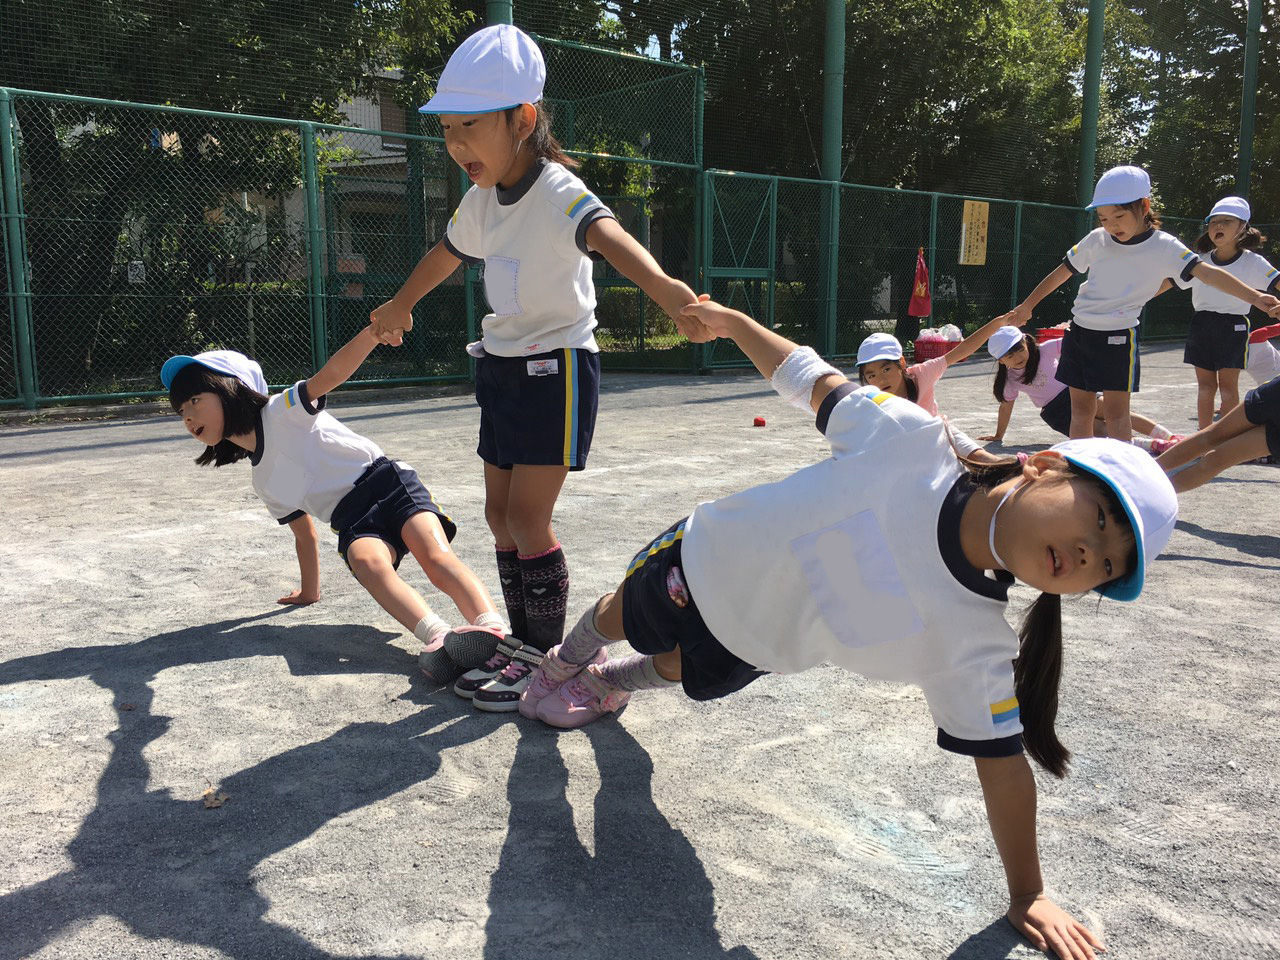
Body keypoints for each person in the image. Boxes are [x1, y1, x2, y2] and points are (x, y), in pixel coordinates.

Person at [517, 297, 1177, 960]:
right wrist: (738, 323)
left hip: (754, 646)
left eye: (1110, 564)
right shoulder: (914, 440)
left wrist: (1028, 892)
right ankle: (569, 658)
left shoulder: (975, 645)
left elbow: (1003, 769)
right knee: (619, 614)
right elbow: (813, 378)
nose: (1093, 556)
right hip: (700, 562)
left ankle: (607, 683)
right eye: (1097, 521)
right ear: (1047, 464)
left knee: (677, 668)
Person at [367, 24, 704, 711]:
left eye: (470, 127)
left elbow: (607, 235)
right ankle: (524, 648)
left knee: (527, 518)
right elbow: (446, 253)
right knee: (496, 515)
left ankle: (549, 658)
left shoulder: (557, 190)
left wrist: (668, 291)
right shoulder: (482, 199)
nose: (457, 145)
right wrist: (399, 304)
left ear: (523, 119)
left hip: (559, 369)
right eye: (448, 130)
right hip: (502, 368)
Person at [161, 330, 508, 685]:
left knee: (435, 557)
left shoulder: (281, 411)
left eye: (194, 401)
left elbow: (331, 374)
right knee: (367, 562)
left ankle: (491, 628)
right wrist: (310, 591)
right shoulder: (262, 482)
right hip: (353, 520)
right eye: (180, 410)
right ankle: (439, 638)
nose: (187, 417)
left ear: (230, 388)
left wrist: (375, 333)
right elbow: (304, 533)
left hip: (388, 484)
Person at [1000, 165, 1280, 441]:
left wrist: (1255, 297)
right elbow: (1062, 272)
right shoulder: (1097, 240)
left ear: (1144, 206)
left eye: (1119, 216)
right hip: (1079, 333)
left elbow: (1208, 273)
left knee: (1117, 414)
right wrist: (1027, 305)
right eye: (1103, 218)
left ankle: (1123, 473)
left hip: (1119, 337)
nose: (1111, 225)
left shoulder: (1165, 246)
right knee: (1081, 410)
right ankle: (1079, 471)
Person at [978, 326, 1182, 452]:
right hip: (1055, 413)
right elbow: (1006, 408)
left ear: (1026, 341)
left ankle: (1169, 437)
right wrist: (998, 435)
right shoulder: (1009, 381)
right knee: (1100, 432)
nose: (1017, 357)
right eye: (1009, 356)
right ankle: (1151, 446)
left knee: (1116, 413)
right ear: (1001, 361)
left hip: (1074, 393)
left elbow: (1075, 343)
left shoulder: (1046, 350)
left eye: (1019, 349)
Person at [1175, 196, 1280, 430]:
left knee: (1228, 387)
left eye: (1226, 221)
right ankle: (1203, 437)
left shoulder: (1254, 262)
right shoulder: (1199, 262)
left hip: (1234, 327)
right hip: (1200, 324)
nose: (1218, 226)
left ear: (1243, 227)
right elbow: (1165, 284)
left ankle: (1227, 436)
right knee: (1205, 386)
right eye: (1213, 222)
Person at [854, 315, 1011, 462]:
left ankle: (1014, 468)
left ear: (901, 363)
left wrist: (997, 323)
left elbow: (964, 349)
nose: (881, 380)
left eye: (886, 369)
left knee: (982, 458)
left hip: (936, 434)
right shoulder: (870, 401)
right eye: (871, 375)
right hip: (903, 449)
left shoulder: (922, 373)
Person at [1155, 375, 1279, 492]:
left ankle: (1153, 496)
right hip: (1274, 397)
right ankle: (1140, 476)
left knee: (1214, 461)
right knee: (1210, 436)